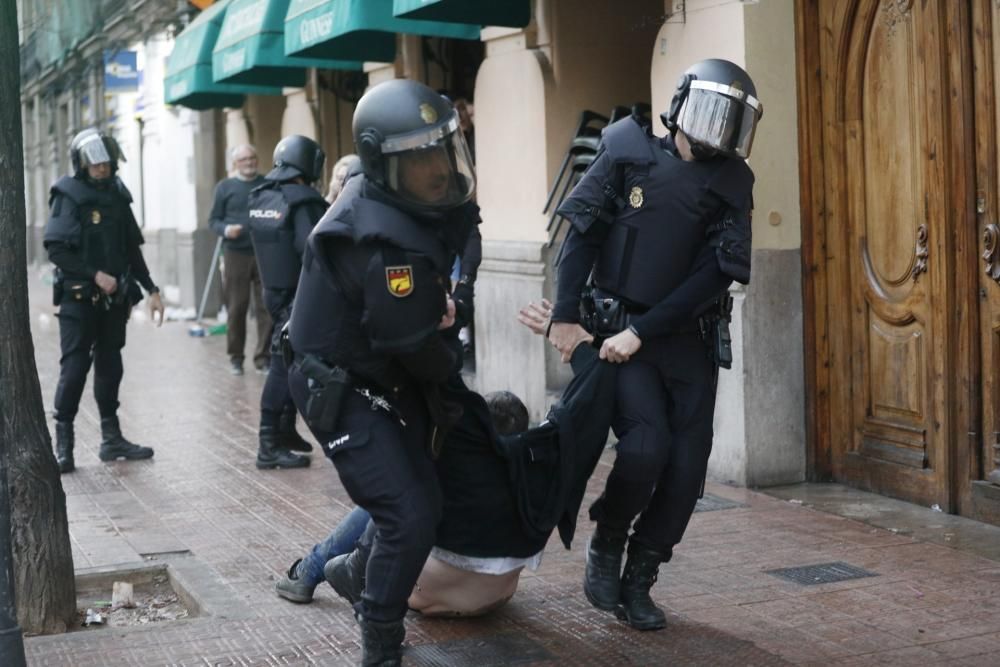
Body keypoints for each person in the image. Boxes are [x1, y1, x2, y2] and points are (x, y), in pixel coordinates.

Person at [547, 59, 763, 631]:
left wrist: (644, 330)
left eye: (732, 121)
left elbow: (718, 274)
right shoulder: (624, 150)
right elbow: (582, 233)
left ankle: (641, 574)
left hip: (681, 338)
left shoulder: (733, 181)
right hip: (620, 333)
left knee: (687, 470)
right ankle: (608, 540)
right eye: (712, 113)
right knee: (645, 449)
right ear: (682, 104)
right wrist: (565, 316)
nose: (717, 131)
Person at [285, 78, 480, 666]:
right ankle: (380, 638)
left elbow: (464, 233)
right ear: (383, 164)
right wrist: (443, 331)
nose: (438, 167)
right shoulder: (375, 239)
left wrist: (446, 307)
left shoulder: (411, 202)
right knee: (408, 510)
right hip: (340, 385)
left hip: (384, 373)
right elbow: (412, 341)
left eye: (442, 148)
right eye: (419, 157)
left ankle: (354, 572)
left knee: (428, 491)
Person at [274, 300, 618, 621]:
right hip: (495, 598)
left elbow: (433, 384)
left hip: (426, 594)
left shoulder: (458, 463)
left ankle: (314, 570)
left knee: (397, 490)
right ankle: (335, 569)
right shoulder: (544, 462)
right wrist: (578, 344)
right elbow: (591, 395)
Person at [44, 127, 164, 474]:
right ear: (82, 164)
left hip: (115, 303)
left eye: (107, 164)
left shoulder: (117, 193)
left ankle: (112, 440)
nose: (103, 170)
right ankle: (62, 446)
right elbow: (56, 249)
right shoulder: (67, 194)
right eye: (96, 165)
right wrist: (95, 275)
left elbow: (131, 249)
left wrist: (152, 289)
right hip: (79, 300)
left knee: (111, 366)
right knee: (75, 368)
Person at [246, 135, 329, 470]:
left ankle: (283, 432)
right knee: (282, 367)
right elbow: (313, 251)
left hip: (273, 292)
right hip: (298, 296)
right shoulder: (304, 201)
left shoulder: (261, 196)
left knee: (287, 362)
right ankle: (268, 445)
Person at [208, 144, 271, 376]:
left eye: (252, 158)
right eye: (243, 159)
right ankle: (236, 357)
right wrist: (226, 230)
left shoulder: (267, 184)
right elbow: (213, 220)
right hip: (236, 253)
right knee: (237, 307)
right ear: (235, 164)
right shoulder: (225, 188)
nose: (249, 162)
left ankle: (263, 357)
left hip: (264, 252)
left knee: (267, 306)